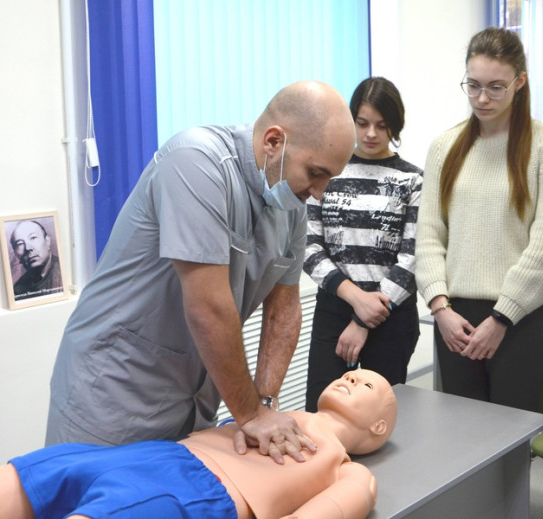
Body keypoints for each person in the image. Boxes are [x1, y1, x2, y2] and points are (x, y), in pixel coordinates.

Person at [45, 81, 357, 463]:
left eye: (330, 179)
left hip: (190, 403)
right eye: (315, 172)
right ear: (274, 141)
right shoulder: (195, 162)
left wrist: (263, 402)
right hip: (113, 394)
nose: (320, 192)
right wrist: (252, 415)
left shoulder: (290, 205)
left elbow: (284, 312)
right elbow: (208, 307)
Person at [0, 369, 397, 519]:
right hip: (157, 453)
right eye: (352, 373)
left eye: (368, 385)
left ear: (379, 427)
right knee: (33, 472)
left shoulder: (348, 469)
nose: (352, 375)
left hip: (195, 494)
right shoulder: (276, 412)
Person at [415, 27, 543, 412]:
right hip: (454, 320)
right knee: (461, 441)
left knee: (509, 448)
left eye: (496, 87)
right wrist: (440, 310)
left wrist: (502, 318)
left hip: (519, 322)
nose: (482, 98)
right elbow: (429, 236)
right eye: (473, 85)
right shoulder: (444, 147)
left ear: (520, 82)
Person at [303, 77, 423, 411]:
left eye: (382, 125)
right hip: (334, 309)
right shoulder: (326, 172)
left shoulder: (412, 180)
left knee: (376, 421)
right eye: (362, 123)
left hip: (391, 316)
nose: (371, 134)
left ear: (395, 126)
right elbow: (310, 248)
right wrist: (356, 301)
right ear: (350, 120)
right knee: (322, 413)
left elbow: (412, 258)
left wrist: (364, 320)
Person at [10, 220, 63, 300]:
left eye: (33, 238)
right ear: (15, 253)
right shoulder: (18, 289)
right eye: (20, 244)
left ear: (47, 241)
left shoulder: (65, 273)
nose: (28, 248)